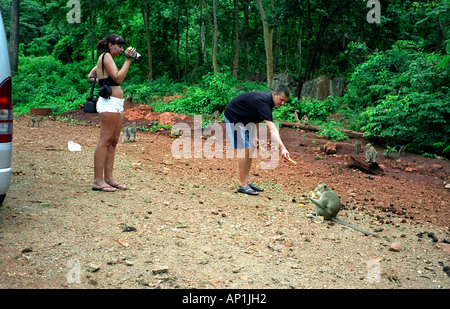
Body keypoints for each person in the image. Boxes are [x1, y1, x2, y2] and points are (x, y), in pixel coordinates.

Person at [88, 34, 137, 192]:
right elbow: (119, 78)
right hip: (108, 103)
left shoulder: (107, 59)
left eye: (123, 47)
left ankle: (108, 178)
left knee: (114, 140)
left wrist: (103, 81)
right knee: (105, 140)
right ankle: (97, 180)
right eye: (119, 46)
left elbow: (91, 76)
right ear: (110, 45)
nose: (122, 50)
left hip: (117, 104)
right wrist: (128, 60)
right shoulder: (106, 56)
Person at [224, 85, 291, 196]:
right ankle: (242, 185)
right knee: (244, 148)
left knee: (251, 147)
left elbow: (255, 117)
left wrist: (254, 137)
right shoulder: (264, 103)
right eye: (281, 100)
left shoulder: (268, 103)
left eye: (285, 101)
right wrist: (283, 148)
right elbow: (272, 128)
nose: (283, 103)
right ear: (274, 95)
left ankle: (247, 181)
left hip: (245, 119)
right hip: (234, 116)